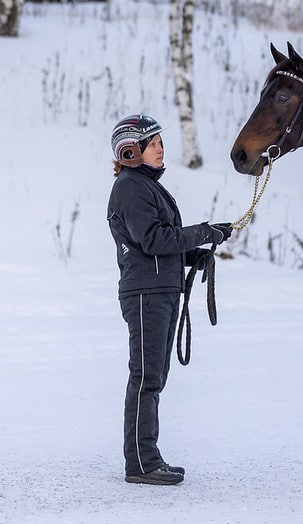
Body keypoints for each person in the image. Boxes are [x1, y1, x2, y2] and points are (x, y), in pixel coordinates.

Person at [106, 114, 232, 485]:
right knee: (146, 376)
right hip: (146, 294)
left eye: (161, 143)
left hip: (158, 290)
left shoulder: (144, 187)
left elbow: (157, 245)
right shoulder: (130, 187)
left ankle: (148, 457)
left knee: (153, 377)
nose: (162, 150)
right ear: (132, 150)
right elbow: (154, 239)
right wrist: (202, 232)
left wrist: (195, 256)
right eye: (153, 144)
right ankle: (141, 464)